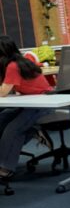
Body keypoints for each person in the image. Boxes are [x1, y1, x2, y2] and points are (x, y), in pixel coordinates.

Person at [0, 37, 53, 181]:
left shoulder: (13, 66)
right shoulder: (18, 62)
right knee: (2, 119)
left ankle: (6, 168)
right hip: (29, 103)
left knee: (13, 129)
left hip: (44, 104)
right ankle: (33, 131)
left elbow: (3, 92)